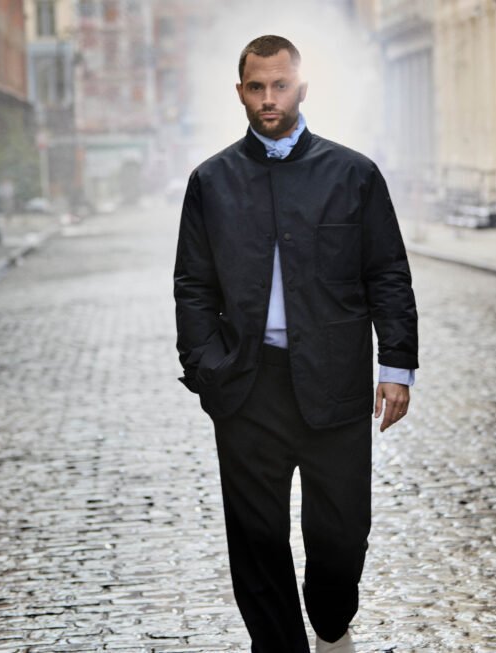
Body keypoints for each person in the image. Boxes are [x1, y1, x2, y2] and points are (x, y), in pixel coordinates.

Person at [173, 35, 418, 653]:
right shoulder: (212, 181)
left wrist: (396, 365)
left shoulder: (353, 174)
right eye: (256, 88)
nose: (267, 99)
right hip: (248, 386)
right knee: (256, 542)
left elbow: (386, 271)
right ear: (240, 93)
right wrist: (206, 367)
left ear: (301, 87)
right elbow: (193, 286)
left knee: (340, 538)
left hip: (334, 381)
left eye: (279, 85)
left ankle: (331, 615)